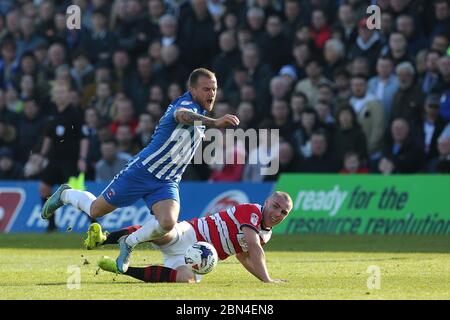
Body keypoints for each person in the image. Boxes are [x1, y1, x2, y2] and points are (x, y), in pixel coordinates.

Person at [41, 68, 240, 272]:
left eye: (214, 89)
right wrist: (215, 122)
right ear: (192, 89)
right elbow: (182, 116)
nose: (212, 93)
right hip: (142, 172)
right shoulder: (185, 105)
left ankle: (129, 242)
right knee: (96, 210)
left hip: (167, 181)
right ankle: (65, 194)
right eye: (206, 89)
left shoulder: (201, 113)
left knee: (168, 222)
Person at [87, 192, 293, 283]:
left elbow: (244, 256)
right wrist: (267, 279)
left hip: (200, 259)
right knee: (162, 233)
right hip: (191, 234)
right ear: (266, 202)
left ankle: (122, 269)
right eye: (275, 206)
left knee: (186, 279)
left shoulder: (265, 234)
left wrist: (262, 279)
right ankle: (104, 239)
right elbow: (253, 246)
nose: (277, 214)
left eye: (284, 212)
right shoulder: (252, 212)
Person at [37, 81, 89, 232]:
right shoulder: (52, 113)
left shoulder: (74, 113)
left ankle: (92, 221)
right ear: (53, 95)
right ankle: (51, 225)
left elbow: (84, 137)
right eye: (57, 92)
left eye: (63, 92)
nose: (60, 95)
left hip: (70, 159)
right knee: (44, 189)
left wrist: (82, 158)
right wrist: (41, 155)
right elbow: (48, 137)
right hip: (54, 158)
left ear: (68, 95)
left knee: (75, 194)